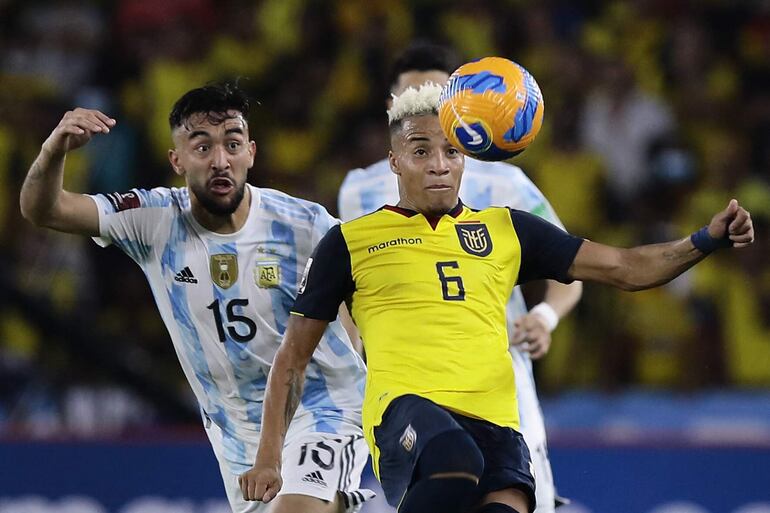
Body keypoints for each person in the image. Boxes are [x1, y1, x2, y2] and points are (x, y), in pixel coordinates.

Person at [239, 83, 754, 513]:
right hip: (404, 415)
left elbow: (624, 268)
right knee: (454, 459)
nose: (439, 165)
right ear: (394, 161)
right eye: (421, 151)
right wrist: (268, 457)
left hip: (499, 425)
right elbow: (293, 357)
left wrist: (705, 240)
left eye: (451, 151)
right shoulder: (350, 241)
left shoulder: (506, 229)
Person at [19, 83, 373, 513]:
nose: (220, 160)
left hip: (322, 407)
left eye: (232, 145)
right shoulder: (153, 220)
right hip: (236, 433)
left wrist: (358, 357)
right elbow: (44, 209)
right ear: (177, 160)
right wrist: (53, 150)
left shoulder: (306, 224)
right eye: (203, 147)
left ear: (251, 153)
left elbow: (360, 295)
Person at [337, 42, 581, 512]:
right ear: (392, 106)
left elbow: (569, 268)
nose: (427, 102)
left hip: (495, 368)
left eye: (439, 92)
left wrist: (545, 317)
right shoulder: (358, 188)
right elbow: (351, 284)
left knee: (527, 496)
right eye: (413, 93)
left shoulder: (504, 180)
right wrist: (354, 358)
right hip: (406, 378)